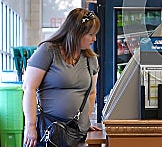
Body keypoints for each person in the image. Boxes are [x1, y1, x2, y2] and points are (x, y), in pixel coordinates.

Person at [23, 8, 102, 147]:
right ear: (77, 33)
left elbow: (91, 93)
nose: (94, 39)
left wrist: (84, 121)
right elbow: (29, 88)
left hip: (77, 135)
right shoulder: (48, 51)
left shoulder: (91, 59)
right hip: (47, 130)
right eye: (91, 34)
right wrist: (30, 126)